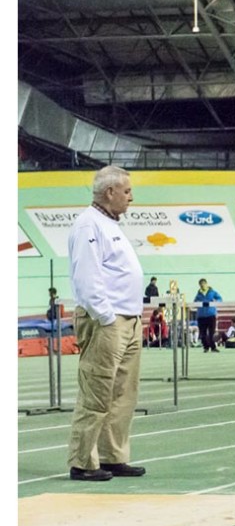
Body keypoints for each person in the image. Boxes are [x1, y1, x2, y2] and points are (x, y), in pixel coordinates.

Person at [66, 165, 146, 481]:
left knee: (123, 394)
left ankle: (113, 456)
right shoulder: (89, 225)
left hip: (128, 320)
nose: (131, 197)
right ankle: (83, 461)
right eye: (127, 191)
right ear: (109, 192)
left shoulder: (108, 224)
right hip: (108, 322)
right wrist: (106, 317)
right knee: (97, 392)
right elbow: (87, 276)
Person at [193, 278, 223, 352]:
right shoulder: (198, 294)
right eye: (201, 284)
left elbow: (220, 299)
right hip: (201, 316)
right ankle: (206, 347)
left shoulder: (212, 292)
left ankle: (213, 347)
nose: (202, 285)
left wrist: (216, 302)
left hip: (211, 315)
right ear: (199, 285)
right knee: (202, 333)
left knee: (211, 333)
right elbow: (195, 302)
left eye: (203, 283)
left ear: (206, 284)